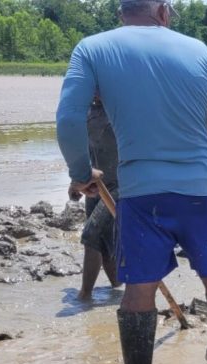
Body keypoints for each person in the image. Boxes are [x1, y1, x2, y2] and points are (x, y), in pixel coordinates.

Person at [56, 0, 207, 364]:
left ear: (123, 11)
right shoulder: (199, 50)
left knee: (139, 288)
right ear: (161, 10)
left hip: (141, 191)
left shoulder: (92, 47)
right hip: (199, 185)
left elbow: (69, 118)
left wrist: (81, 172)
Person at [74, 97, 121, 300]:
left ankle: (84, 296)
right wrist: (77, 179)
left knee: (91, 233)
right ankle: (117, 287)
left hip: (122, 185)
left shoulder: (122, 108)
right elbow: (82, 149)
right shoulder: (86, 112)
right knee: (104, 240)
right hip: (95, 182)